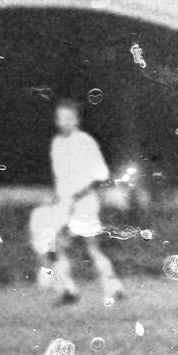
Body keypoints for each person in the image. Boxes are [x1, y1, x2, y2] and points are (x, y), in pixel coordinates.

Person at [29, 99, 125, 305]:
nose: (64, 122)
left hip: (84, 202)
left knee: (91, 247)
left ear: (77, 120)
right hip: (65, 204)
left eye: (68, 118)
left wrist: (77, 194)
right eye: (60, 118)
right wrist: (56, 196)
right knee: (52, 245)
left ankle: (113, 287)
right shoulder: (56, 143)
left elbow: (101, 173)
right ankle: (67, 289)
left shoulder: (85, 141)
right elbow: (61, 177)